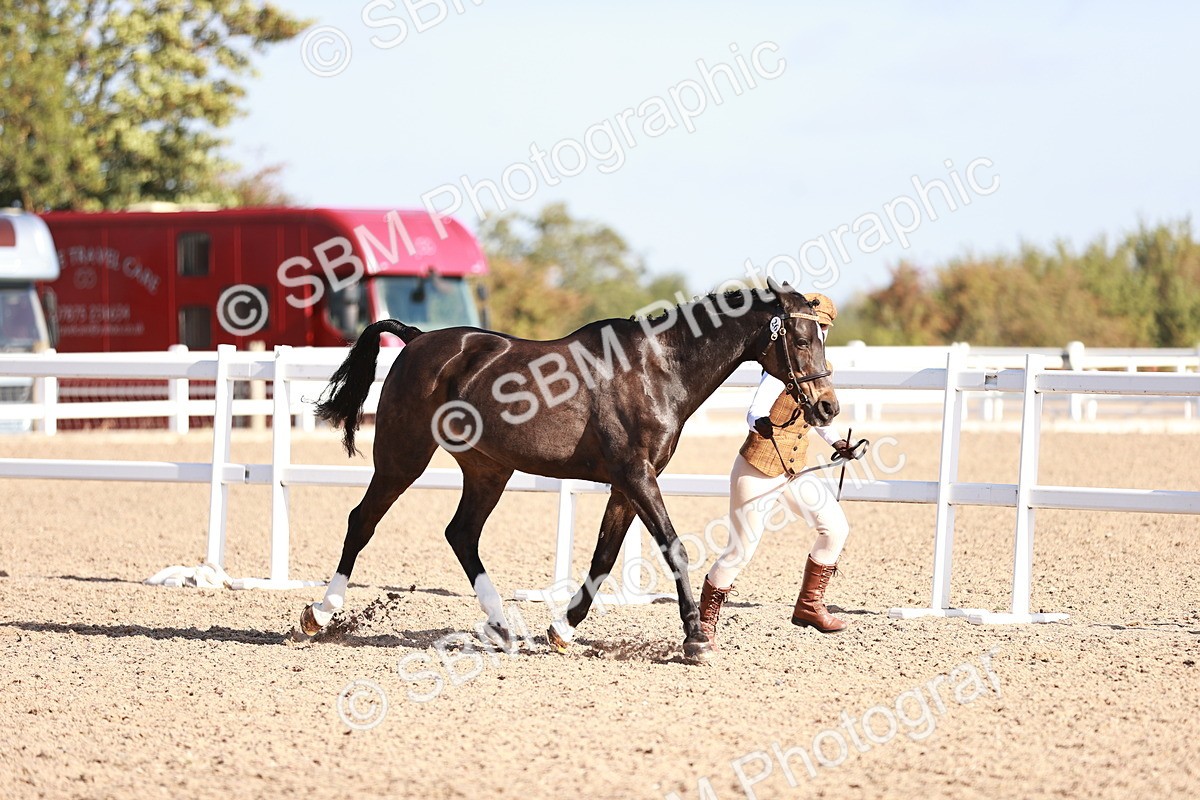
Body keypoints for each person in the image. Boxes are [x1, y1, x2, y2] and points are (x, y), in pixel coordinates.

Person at [698, 293, 856, 647]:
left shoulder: (814, 368)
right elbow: (754, 410)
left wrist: (837, 443)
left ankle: (809, 604)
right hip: (759, 469)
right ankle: (704, 624)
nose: (822, 336)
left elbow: (817, 416)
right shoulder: (783, 367)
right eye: (819, 329)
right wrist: (762, 423)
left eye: (825, 329)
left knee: (835, 528)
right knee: (740, 551)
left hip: (794, 469)